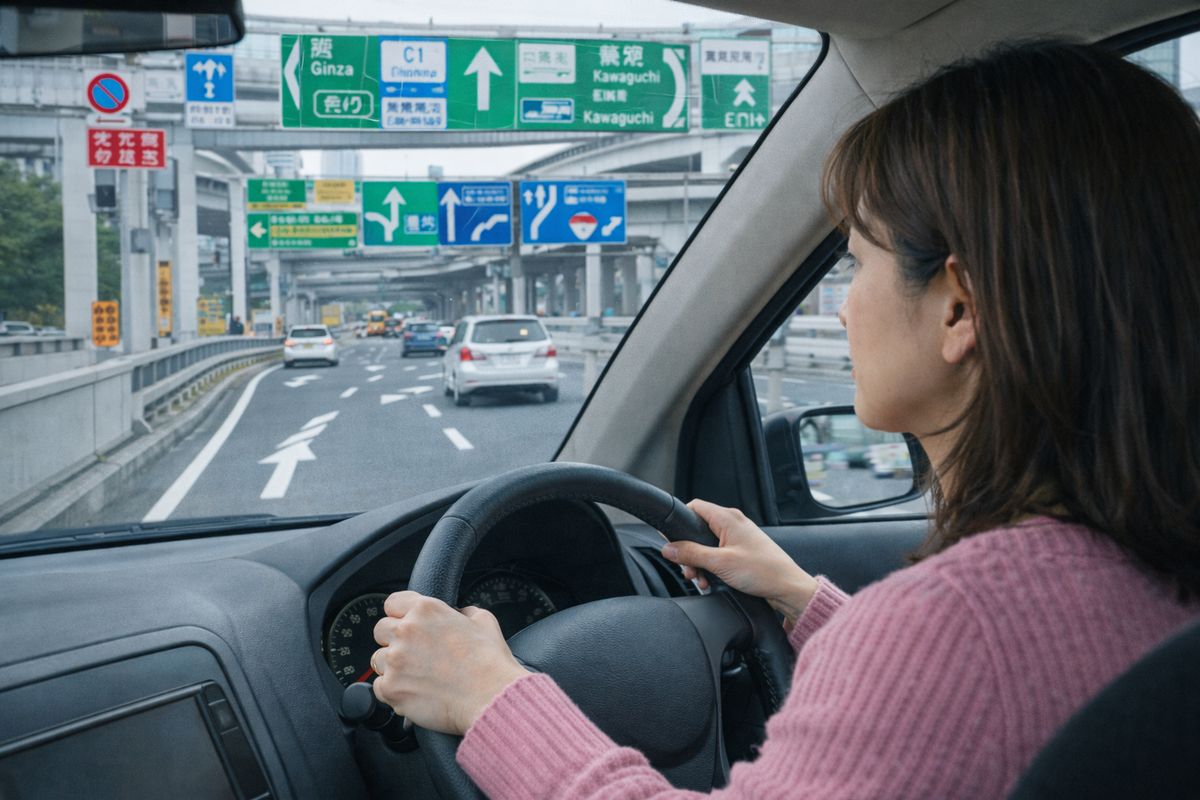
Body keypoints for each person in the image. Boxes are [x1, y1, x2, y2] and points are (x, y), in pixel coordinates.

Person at [367, 40, 1200, 799]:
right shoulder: (1142, 574)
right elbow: (983, 709)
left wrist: (492, 698)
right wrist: (806, 601)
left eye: (856, 263)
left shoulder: (953, 628)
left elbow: (959, 668)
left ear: (957, 307)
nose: (842, 309)